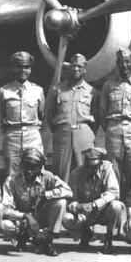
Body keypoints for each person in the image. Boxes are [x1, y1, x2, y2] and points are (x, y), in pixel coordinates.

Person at [2, 148, 71, 257]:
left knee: (61, 202)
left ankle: (48, 241)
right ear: (22, 166)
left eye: (34, 168)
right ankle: (21, 237)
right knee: (5, 225)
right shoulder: (12, 180)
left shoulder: (48, 176)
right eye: (27, 167)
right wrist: (25, 216)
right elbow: (5, 209)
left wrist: (47, 195)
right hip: (22, 220)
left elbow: (68, 191)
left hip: (42, 217)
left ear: (40, 168)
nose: (29, 171)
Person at [99, 48, 131, 198]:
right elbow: (102, 111)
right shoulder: (109, 86)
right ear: (117, 64)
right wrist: (111, 128)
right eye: (121, 62)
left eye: (127, 61)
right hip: (114, 128)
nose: (124, 65)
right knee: (113, 167)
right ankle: (115, 200)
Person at [46, 53, 99, 182]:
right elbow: (50, 114)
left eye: (80, 67)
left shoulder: (92, 92)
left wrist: (87, 132)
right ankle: (60, 200)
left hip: (84, 133)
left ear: (85, 70)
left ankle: (83, 199)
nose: (76, 69)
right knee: (60, 170)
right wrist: (60, 129)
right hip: (62, 133)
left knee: (85, 168)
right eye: (74, 66)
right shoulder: (57, 89)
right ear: (69, 68)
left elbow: (97, 116)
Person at [62, 147, 123, 254]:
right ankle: (85, 234)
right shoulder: (75, 174)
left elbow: (114, 192)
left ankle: (109, 237)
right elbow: (71, 199)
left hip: (103, 211)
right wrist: (78, 207)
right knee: (67, 218)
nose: (91, 169)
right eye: (88, 166)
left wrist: (94, 204)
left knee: (116, 206)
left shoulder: (107, 169)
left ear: (100, 164)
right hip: (84, 213)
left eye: (94, 167)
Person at [0, 51, 45, 177]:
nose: (23, 70)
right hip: (13, 135)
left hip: (33, 135)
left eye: (26, 67)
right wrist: (10, 132)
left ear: (30, 69)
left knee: (35, 170)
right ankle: (11, 196)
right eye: (19, 66)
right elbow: (2, 116)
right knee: (12, 173)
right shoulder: (4, 91)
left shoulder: (38, 90)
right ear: (13, 68)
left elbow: (42, 115)